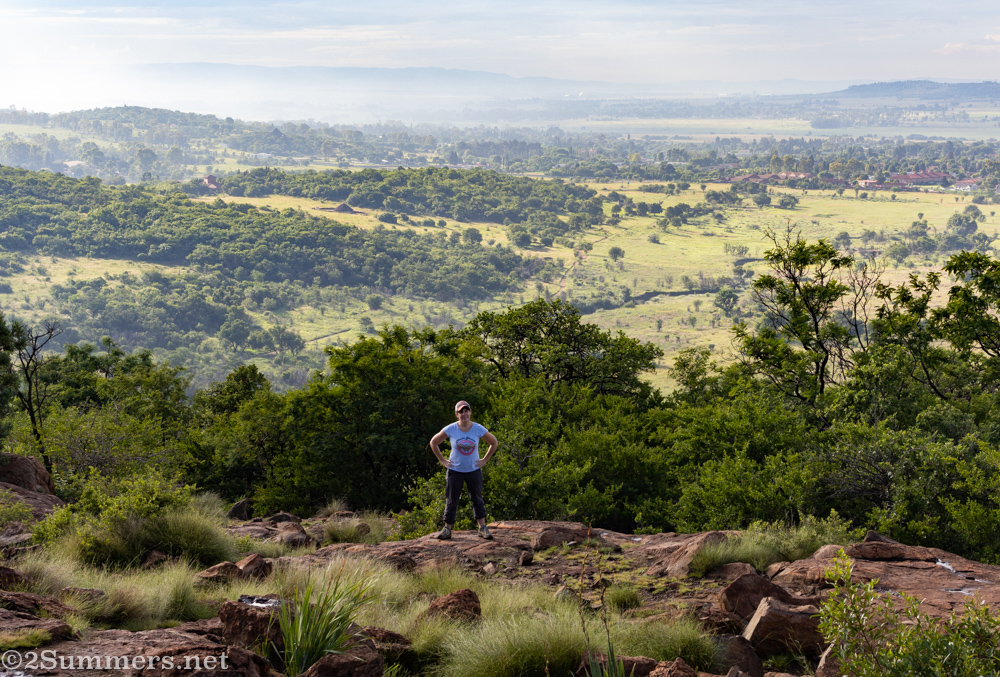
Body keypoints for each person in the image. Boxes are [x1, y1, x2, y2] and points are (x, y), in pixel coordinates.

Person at [428, 400, 498, 540]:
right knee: (452, 500)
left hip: (473, 470)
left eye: (466, 411)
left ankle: (482, 528)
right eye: (461, 412)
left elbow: (494, 442)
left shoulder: (478, 428)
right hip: (455, 471)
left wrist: (484, 460)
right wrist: (442, 460)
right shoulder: (451, 429)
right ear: (456, 414)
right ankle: (447, 529)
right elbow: (433, 442)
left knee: (477, 499)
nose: (464, 414)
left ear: (470, 412)